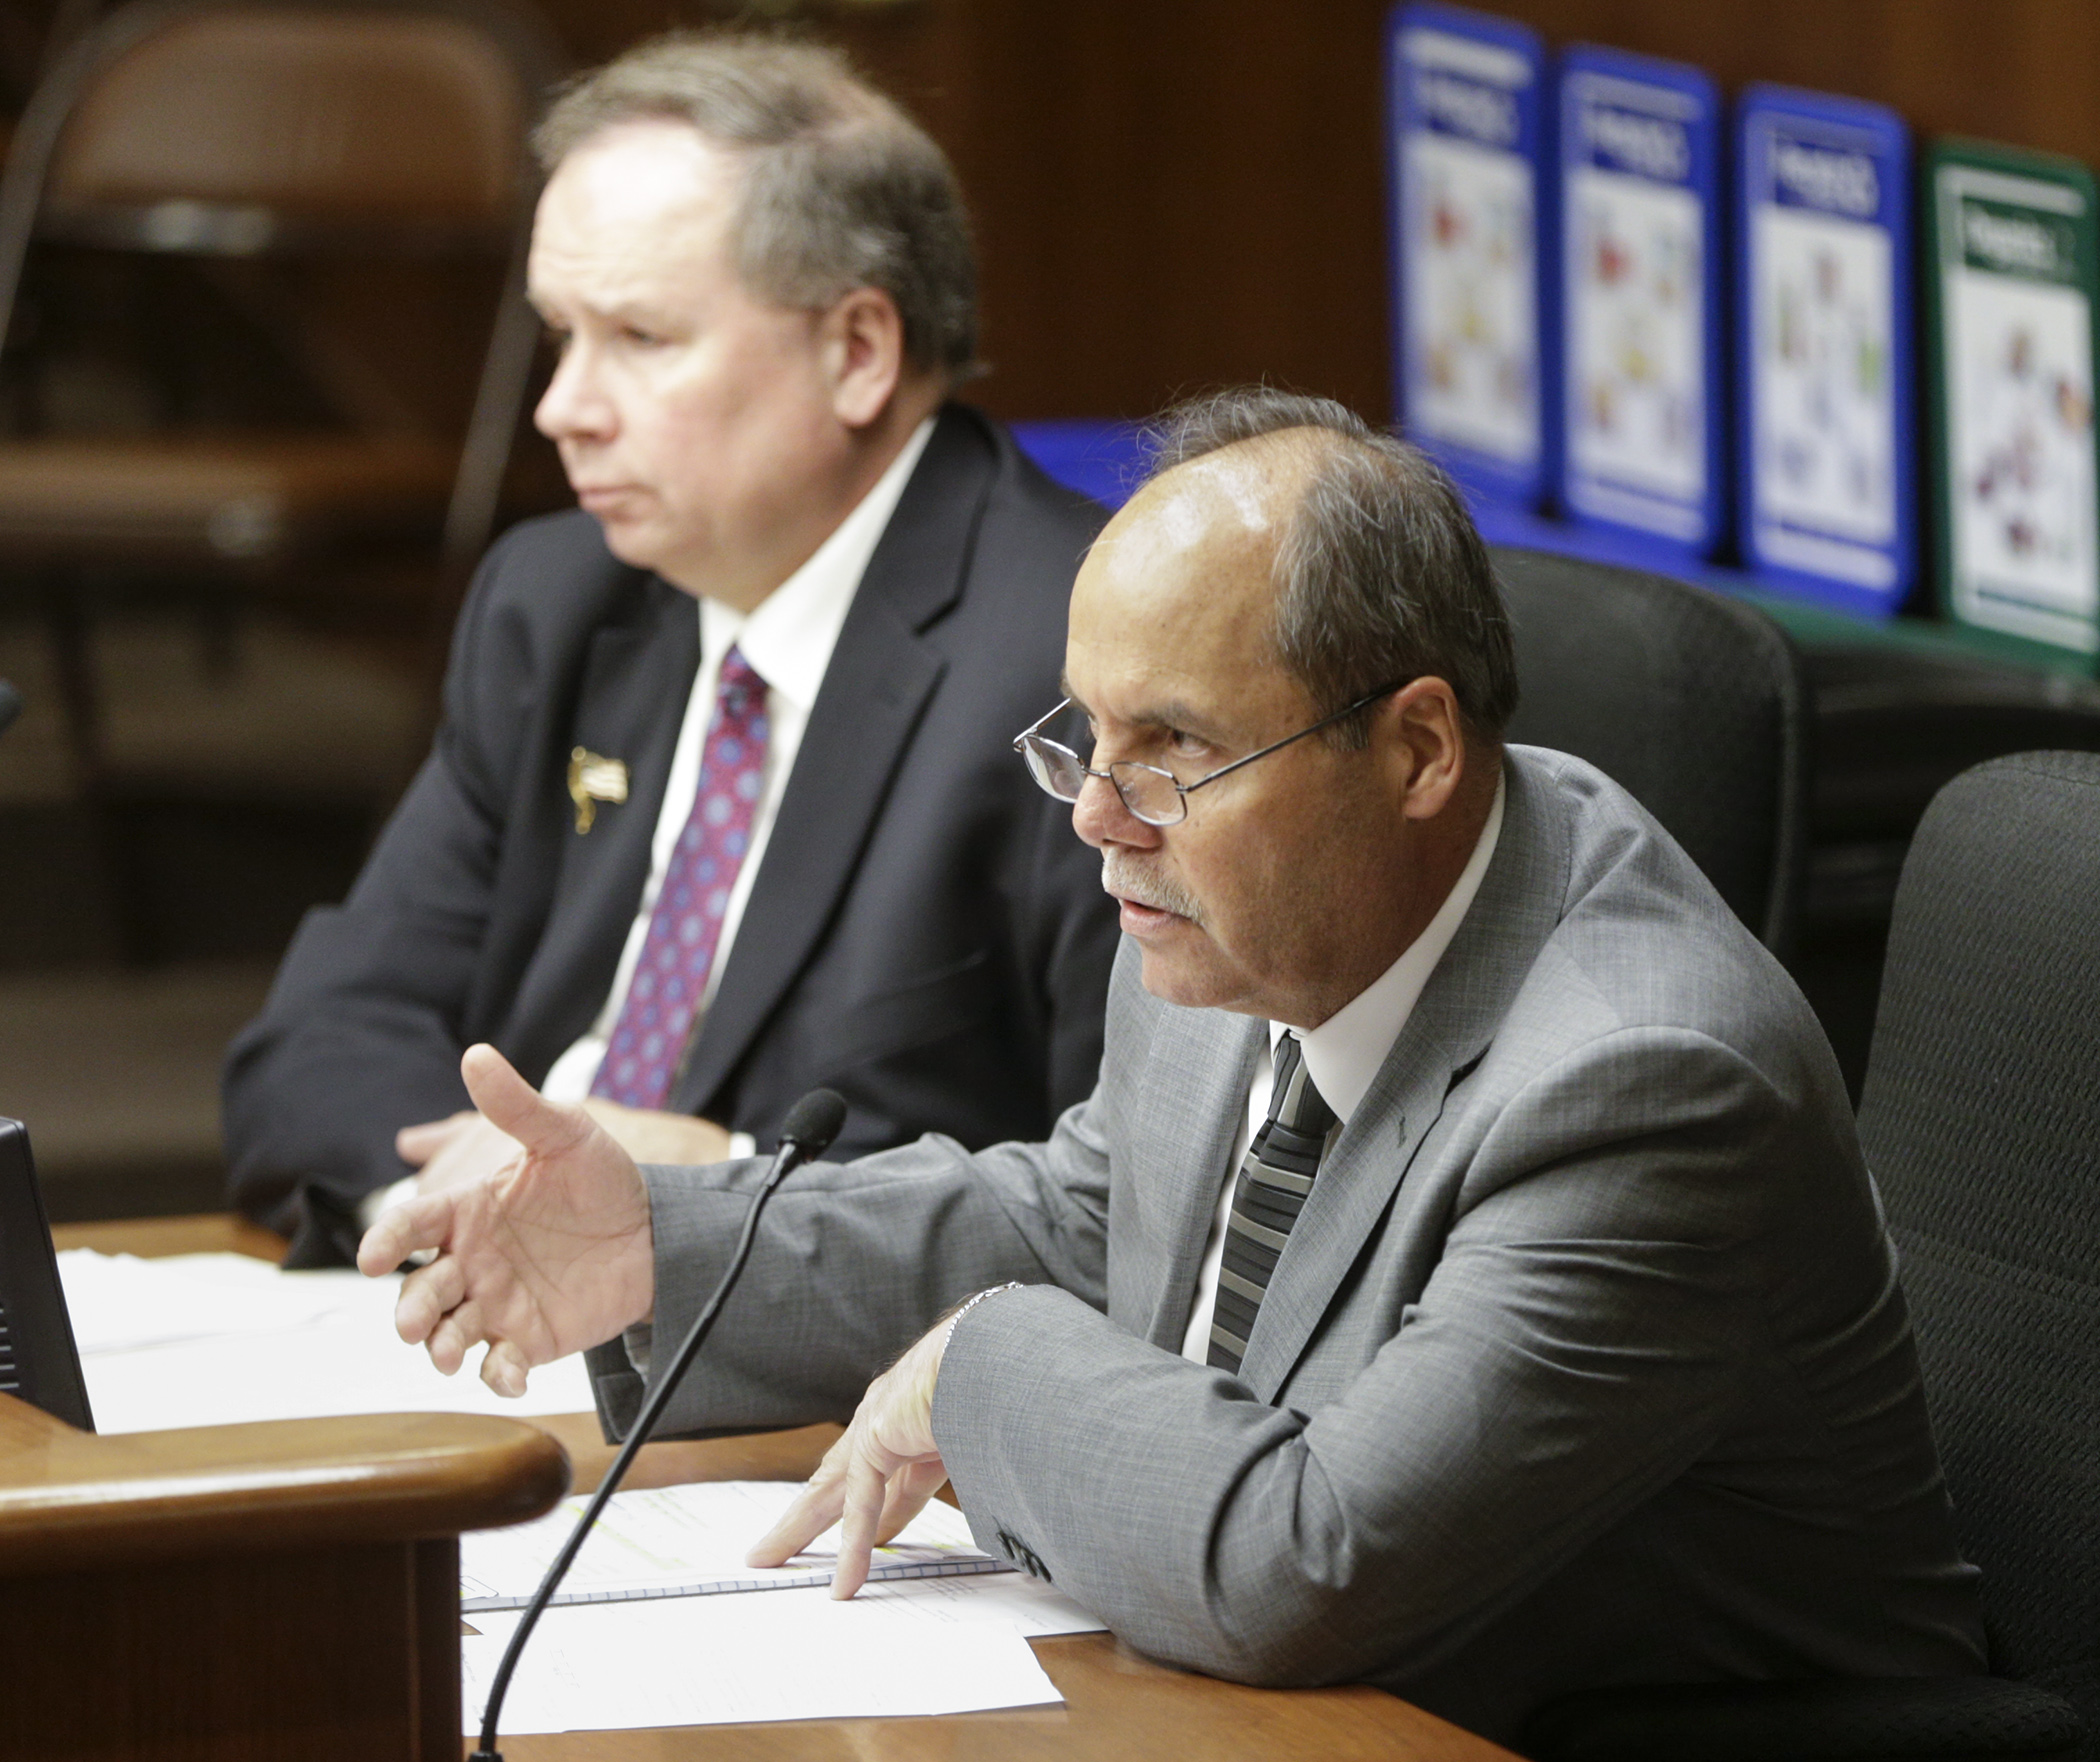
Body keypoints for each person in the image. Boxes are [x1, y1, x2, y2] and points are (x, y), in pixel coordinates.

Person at [362, 388, 1986, 1743]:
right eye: (1085, 733)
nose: (1097, 814)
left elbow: (1310, 1558)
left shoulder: (1643, 1082)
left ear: (1417, 748)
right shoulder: (1258, 901)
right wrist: (668, 1240)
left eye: (1176, 749)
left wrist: (983, 1370)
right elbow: (1101, 1222)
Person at [223, 35, 1118, 1265]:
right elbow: (322, 1037)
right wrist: (455, 1215)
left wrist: (694, 1204)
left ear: (857, 352)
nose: (563, 407)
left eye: (640, 338)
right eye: (561, 334)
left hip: (834, 1407)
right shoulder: (560, 603)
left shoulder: (1085, 665)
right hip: (474, 1333)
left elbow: (1135, 1192)